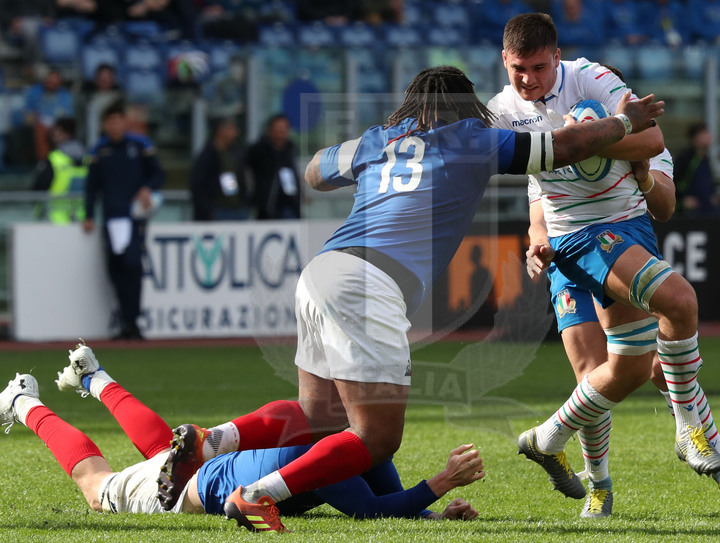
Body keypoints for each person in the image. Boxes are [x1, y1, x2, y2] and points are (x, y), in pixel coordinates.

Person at [155, 66, 664, 532]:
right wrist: (624, 124)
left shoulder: (381, 139)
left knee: (319, 418)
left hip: (322, 271)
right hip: (369, 285)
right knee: (377, 439)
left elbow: (314, 170)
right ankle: (258, 494)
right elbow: (567, 146)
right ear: (467, 107)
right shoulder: (476, 138)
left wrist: (374, 147)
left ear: (412, 107)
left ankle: (211, 440)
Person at [487, 13, 720, 517]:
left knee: (633, 368)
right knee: (603, 363)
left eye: (540, 68)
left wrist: (611, 149)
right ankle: (605, 482)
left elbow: (659, 177)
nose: (529, 79)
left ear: (562, 60)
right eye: (519, 68)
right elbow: (534, 192)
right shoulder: (502, 111)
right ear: (505, 59)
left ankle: (550, 439)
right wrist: (536, 239)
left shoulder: (593, 81)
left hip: (621, 231)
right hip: (571, 244)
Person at [0, 343, 481, 525]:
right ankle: (22, 400)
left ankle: (93, 375)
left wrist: (433, 513)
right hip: (199, 486)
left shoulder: (357, 437)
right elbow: (369, 510)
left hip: (208, 469)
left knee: (159, 449)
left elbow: (389, 501)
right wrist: (441, 482)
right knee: (96, 489)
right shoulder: (341, 449)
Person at [83, 99, 164, 340]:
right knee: (116, 269)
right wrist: (88, 215)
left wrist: (147, 189)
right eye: (111, 121)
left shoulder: (140, 145)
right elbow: (91, 187)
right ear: (105, 124)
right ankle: (126, 320)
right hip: (111, 218)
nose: (115, 125)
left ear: (124, 123)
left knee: (133, 266)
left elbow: (158, 174)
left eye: (119, 120)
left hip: (133, 217)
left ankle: (133, 320)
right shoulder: (98, 150)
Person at [190, 116, 249, 221]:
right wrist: (207, 211)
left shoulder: (235, 152)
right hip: (218, 209)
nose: (236, 134)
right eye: (232, 129)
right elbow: (198, 185)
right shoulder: (208, 155)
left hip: (237, 208)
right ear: (221, 131)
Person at [31, 117, 87, 224]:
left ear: (66, 133)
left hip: (54, 219)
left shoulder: (55, 158)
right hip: (82, 219)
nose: (53, 134)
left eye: (57, 131)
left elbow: (39, 186)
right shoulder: (87, 158)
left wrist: (37, 209)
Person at [246, 113, 302, 220]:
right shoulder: (259, 150)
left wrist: (299, 194)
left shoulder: (290, 150)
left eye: (283, 130)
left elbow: (293, 174)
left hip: (289, 205)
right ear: (270, 130)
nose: (280, 134)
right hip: (267, 206)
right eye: (277, 130)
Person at [24, 68, 75, 161]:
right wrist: (34, 119)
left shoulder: (65, 95)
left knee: (60, 132)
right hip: (40, 124)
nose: (51, 82)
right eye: (49, 80)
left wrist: (57, 126)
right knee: (40, 130)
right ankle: (44, 162)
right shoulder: (35, 91)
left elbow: (68, 117)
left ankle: (61, 160)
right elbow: (28, 114)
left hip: (58, 124)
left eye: (55, 80)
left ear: (59, 82)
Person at [673, 123, 720, 216]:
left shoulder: (705, 158)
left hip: (707, 210)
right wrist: (682, 200)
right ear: (695, 138)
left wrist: (713, 194)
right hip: (690, 214)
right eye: (704, 133)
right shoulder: (685, 158)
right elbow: (674, 180)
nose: (709, 136)